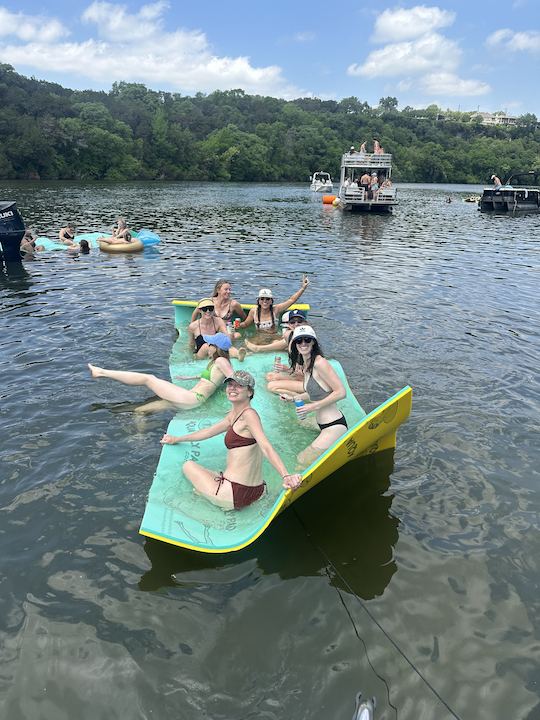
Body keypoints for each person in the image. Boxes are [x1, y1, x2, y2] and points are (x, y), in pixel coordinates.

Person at [160, 371, 303, 510]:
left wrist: (286, 475)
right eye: (230, 385)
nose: (233, 388)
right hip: (258, 491)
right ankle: (217, 489)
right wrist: (177, 438)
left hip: (234, 494)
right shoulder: (234, 415)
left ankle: (210, 497)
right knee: (214, 473)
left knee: (188, 465)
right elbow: (208, 431)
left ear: (250, 392)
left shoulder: (249, 415)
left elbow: (265, 446)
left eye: (239, 385)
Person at [88, 333, 235, 413]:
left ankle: (101, 372)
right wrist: (189, 377)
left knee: (148, 379)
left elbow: (233, 377)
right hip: (190, 400)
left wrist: (235, 401)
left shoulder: (222, 361)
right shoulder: (217, 362)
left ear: (216, 347)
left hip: (191, 398)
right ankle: (139, 434)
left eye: (209, 344)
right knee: (140, 410)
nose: (206, 346)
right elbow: (212, 379)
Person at [277, 325, 348, 469]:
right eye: (299, 341)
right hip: (320, 422)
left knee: (302, 460)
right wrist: (293, 398)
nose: (303, 344)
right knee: (294, 425)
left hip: (334, 425)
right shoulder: (307, 364)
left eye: (307, 340)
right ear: (295, 345)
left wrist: (311, 407)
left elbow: (341, 392)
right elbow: (315, 392)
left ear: (313, 342)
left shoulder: (320, 363)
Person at [238, 276, 310, 336]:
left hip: (273, 337)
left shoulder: (276, 309)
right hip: (259, 337)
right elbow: (246, 324)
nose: (265, 301)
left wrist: (303, 288)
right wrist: (238, 325)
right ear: (259, 301)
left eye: (267, 299)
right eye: (262, 299)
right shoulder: (254, 311)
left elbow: (291, 300)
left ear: (271, 301)